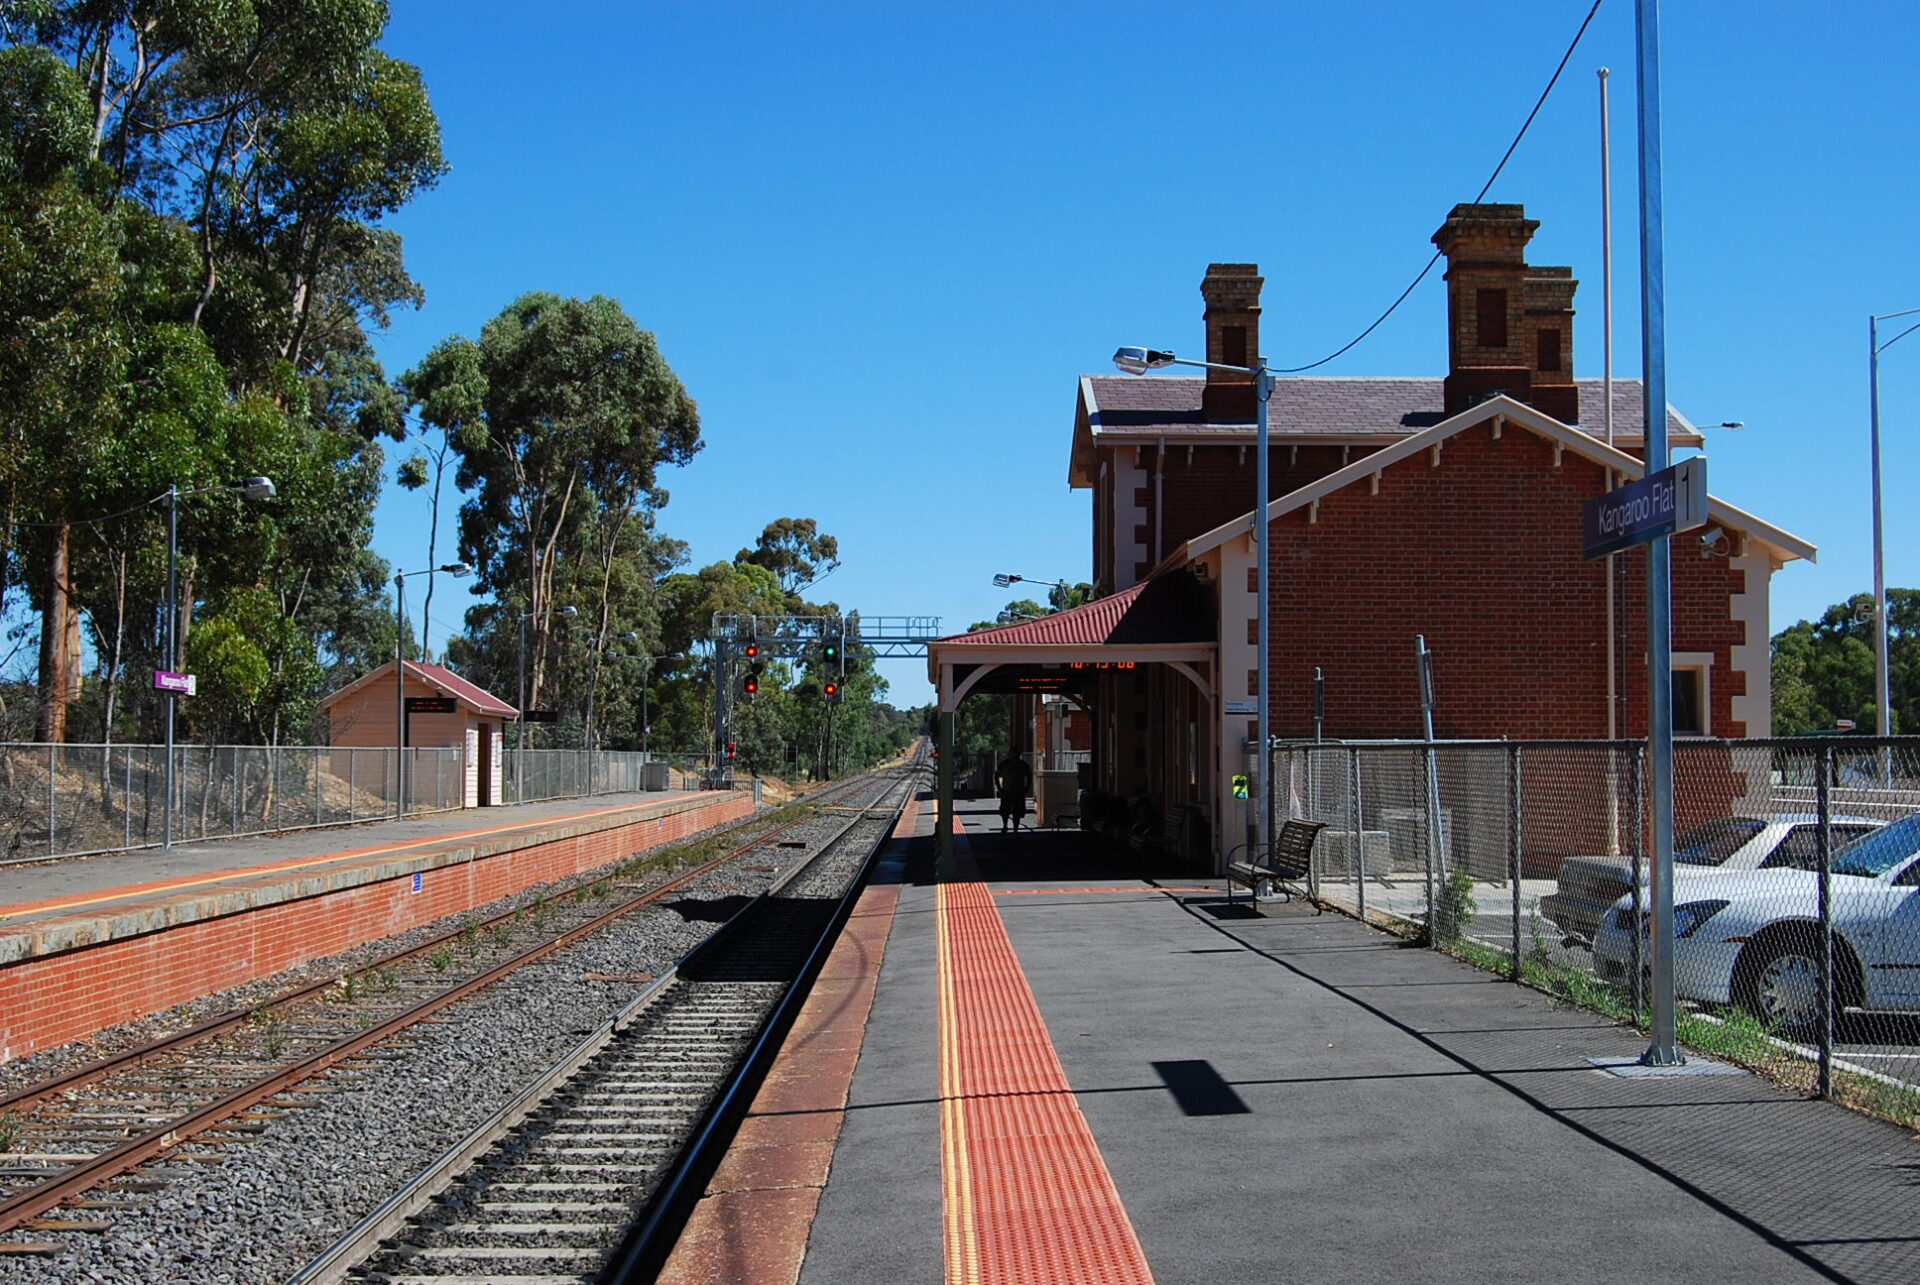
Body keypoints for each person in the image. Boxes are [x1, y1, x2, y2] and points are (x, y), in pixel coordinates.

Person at [995, 751, 1033, 833]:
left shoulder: (1023, 765)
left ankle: (1015, 828)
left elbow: (1029, 776)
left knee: (1017, 812)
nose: (1013, 756)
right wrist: (999, 788)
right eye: (1011, 754)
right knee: (1005, 811)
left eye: (1015, 754)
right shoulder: (1004, 764)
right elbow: (997, 775)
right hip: (1006, 791)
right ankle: (1005, 826)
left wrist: (1026, 788)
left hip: (1018, 792)